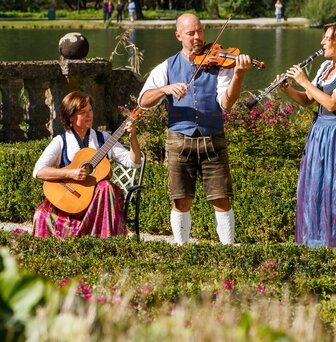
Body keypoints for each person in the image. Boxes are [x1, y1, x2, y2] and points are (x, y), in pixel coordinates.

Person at [138, 13, 252, 245]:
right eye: (191, 33)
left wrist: (238, 75)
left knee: (222, 198)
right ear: (179, 36)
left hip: (213, 137)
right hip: (179, 140)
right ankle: (181, 249)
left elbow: (227, 104)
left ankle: (228, 249)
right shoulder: (167, 66)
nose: (197, 37)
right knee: (181, 200)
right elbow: (143, 101)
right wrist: (165, 89)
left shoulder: (219, 64)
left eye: (200, 31)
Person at [280, 23, 336, 247]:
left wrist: (305, 81)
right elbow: (308, 100)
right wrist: (288, 89)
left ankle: (335, 242)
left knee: (334, 189)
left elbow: (333, 103)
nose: (322, 42)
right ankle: (312, 240)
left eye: (327, 38)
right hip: (319, 131)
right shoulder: (326, 66)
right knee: (314, 186)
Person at [32, 91, 141, 238]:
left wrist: (133, 137)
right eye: (83, 112)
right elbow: (38, 171)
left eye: (90, 110)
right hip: (72, 200)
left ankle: (106, 241)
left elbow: (134, 163)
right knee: (41, 213)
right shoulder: (61, 141)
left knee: (105, 187)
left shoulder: (104, 139)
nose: (89, 115)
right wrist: (70, 173)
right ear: (70, 116)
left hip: (100, 203)